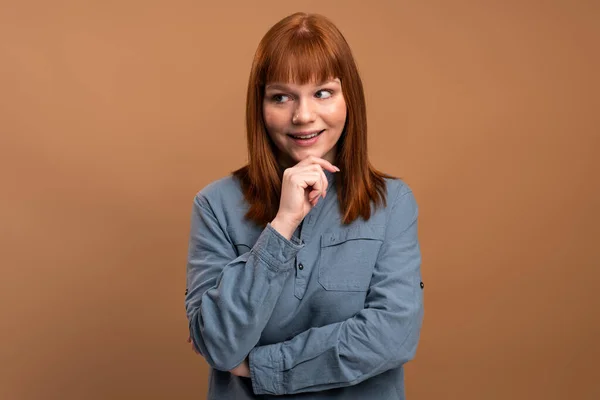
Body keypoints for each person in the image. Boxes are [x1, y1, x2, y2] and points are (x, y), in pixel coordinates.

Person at [184, 11, 424, 399]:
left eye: (323, 93)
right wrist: (282, 223)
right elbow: (219, 345)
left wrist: (261, 367)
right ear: (259, 106)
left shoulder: (391, 203)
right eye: (281, 96)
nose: (303, 115)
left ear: (350, 99)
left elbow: (393, 336)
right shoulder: (215, 205)